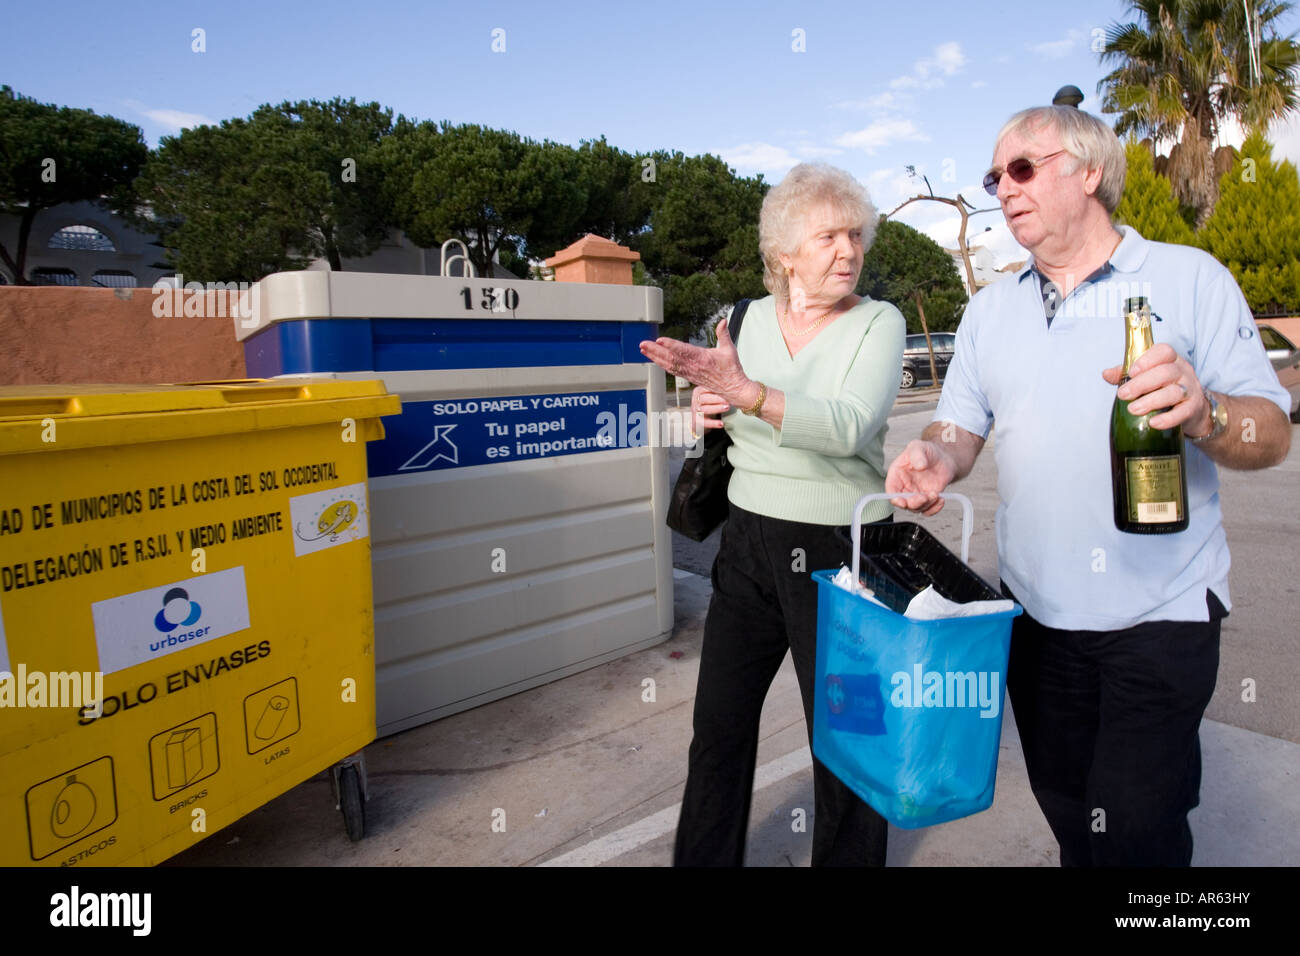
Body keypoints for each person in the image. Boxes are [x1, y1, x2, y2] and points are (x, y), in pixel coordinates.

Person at [885, 105, 1293, 866]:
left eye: (1023, 168)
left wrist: (1206, 414)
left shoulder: (1189, 278)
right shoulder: (988, 310)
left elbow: (1270, 431)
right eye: (993, 177)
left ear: (1091, 171)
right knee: (1073, 816)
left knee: (1139, 828)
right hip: (1035, 617)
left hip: (1161, 613)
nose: (1003, 189)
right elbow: (959, 426)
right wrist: (933, 457)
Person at [639, 163, 905, 866]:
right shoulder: (746, 320)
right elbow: (730, 410)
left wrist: (747, 392)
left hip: (843, 549)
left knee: (848, 741)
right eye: (827, 237)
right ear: (785, 253)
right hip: (749, 541)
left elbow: (848, 426)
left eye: (855, 235)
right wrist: (712, 409)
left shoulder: (879, 322)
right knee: (719, 728)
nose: (848, 250)